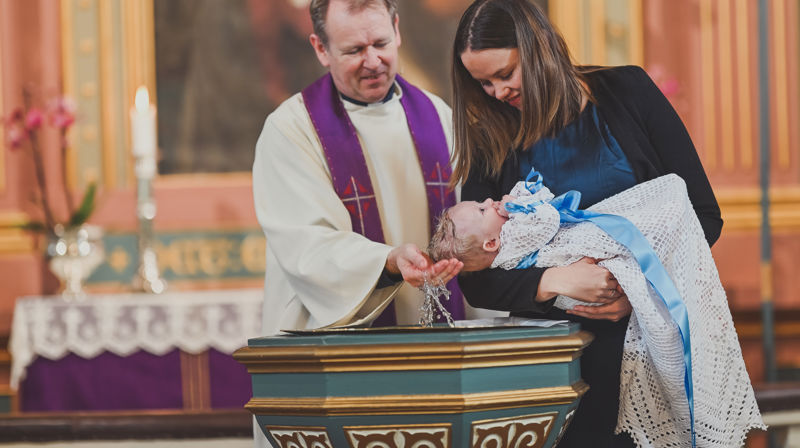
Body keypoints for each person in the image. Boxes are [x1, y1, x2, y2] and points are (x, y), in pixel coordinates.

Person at [449, 0, 727, 446]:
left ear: (539, 48)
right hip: (556, 370)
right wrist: (555, 279)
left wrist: (632, 288)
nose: (497, 92)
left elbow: (702, 216)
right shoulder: (492, 139)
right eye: (483, 83)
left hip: (653, 349)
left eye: (505, 74)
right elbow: (476, 280)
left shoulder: (628, 91)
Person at [430, 172, 765, 446]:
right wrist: (522, 203)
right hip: (575, 326)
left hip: (591, 304)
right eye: (481, 209)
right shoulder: (511, 244)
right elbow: (545, 220)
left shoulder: (499, 243)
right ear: (490, 244)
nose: (490, 201)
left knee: (668, 202)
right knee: (664, 206)